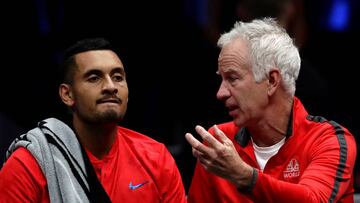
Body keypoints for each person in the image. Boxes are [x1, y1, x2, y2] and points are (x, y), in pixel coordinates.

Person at [185, 18, 357, 202]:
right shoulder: (218, 142)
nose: (220, 93)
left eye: (232, 78)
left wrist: (243, 176)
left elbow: (314, 199)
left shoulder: (328, 141)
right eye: (222, 79)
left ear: (272, 81)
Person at [0, 37, 187, 203]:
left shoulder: (156, 158)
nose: (110, 86)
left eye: (118, 77)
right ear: (67, 94)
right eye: (94, 78)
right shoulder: (30, 164)